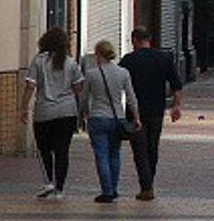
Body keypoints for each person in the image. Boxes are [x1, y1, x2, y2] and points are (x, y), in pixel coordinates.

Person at [119, 26, 183, 201]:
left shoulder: (129, 60)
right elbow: (176, 83)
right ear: (150, 39)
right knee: (152, 147)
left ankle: (146, 185)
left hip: (135, 112)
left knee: (139, 149)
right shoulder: (164, 58)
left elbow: (117, 82)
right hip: (156, 110)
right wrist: (176, 105)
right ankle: (149, 182)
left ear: (135, 40)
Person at [19, 27, 83, 201]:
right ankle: (60, 188)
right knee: (62, 151)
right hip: (67, 111)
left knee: (45, 149)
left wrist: (24, 107)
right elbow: (78, 89)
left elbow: (30, 86)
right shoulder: (71, 63)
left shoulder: (39, 61)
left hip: (44, 112)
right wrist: (83, 111)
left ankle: (48, 181)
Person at [82, 39, 141, 204]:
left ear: (98, 54)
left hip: (97, 117)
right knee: (114, 154)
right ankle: (114, 189)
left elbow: (84, 98)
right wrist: (136, 117)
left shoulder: (92, 74)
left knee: (101, 155)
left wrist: (85, 115)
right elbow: (131, 98)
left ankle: (106, 190)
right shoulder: (123, 73)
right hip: (117, 118)